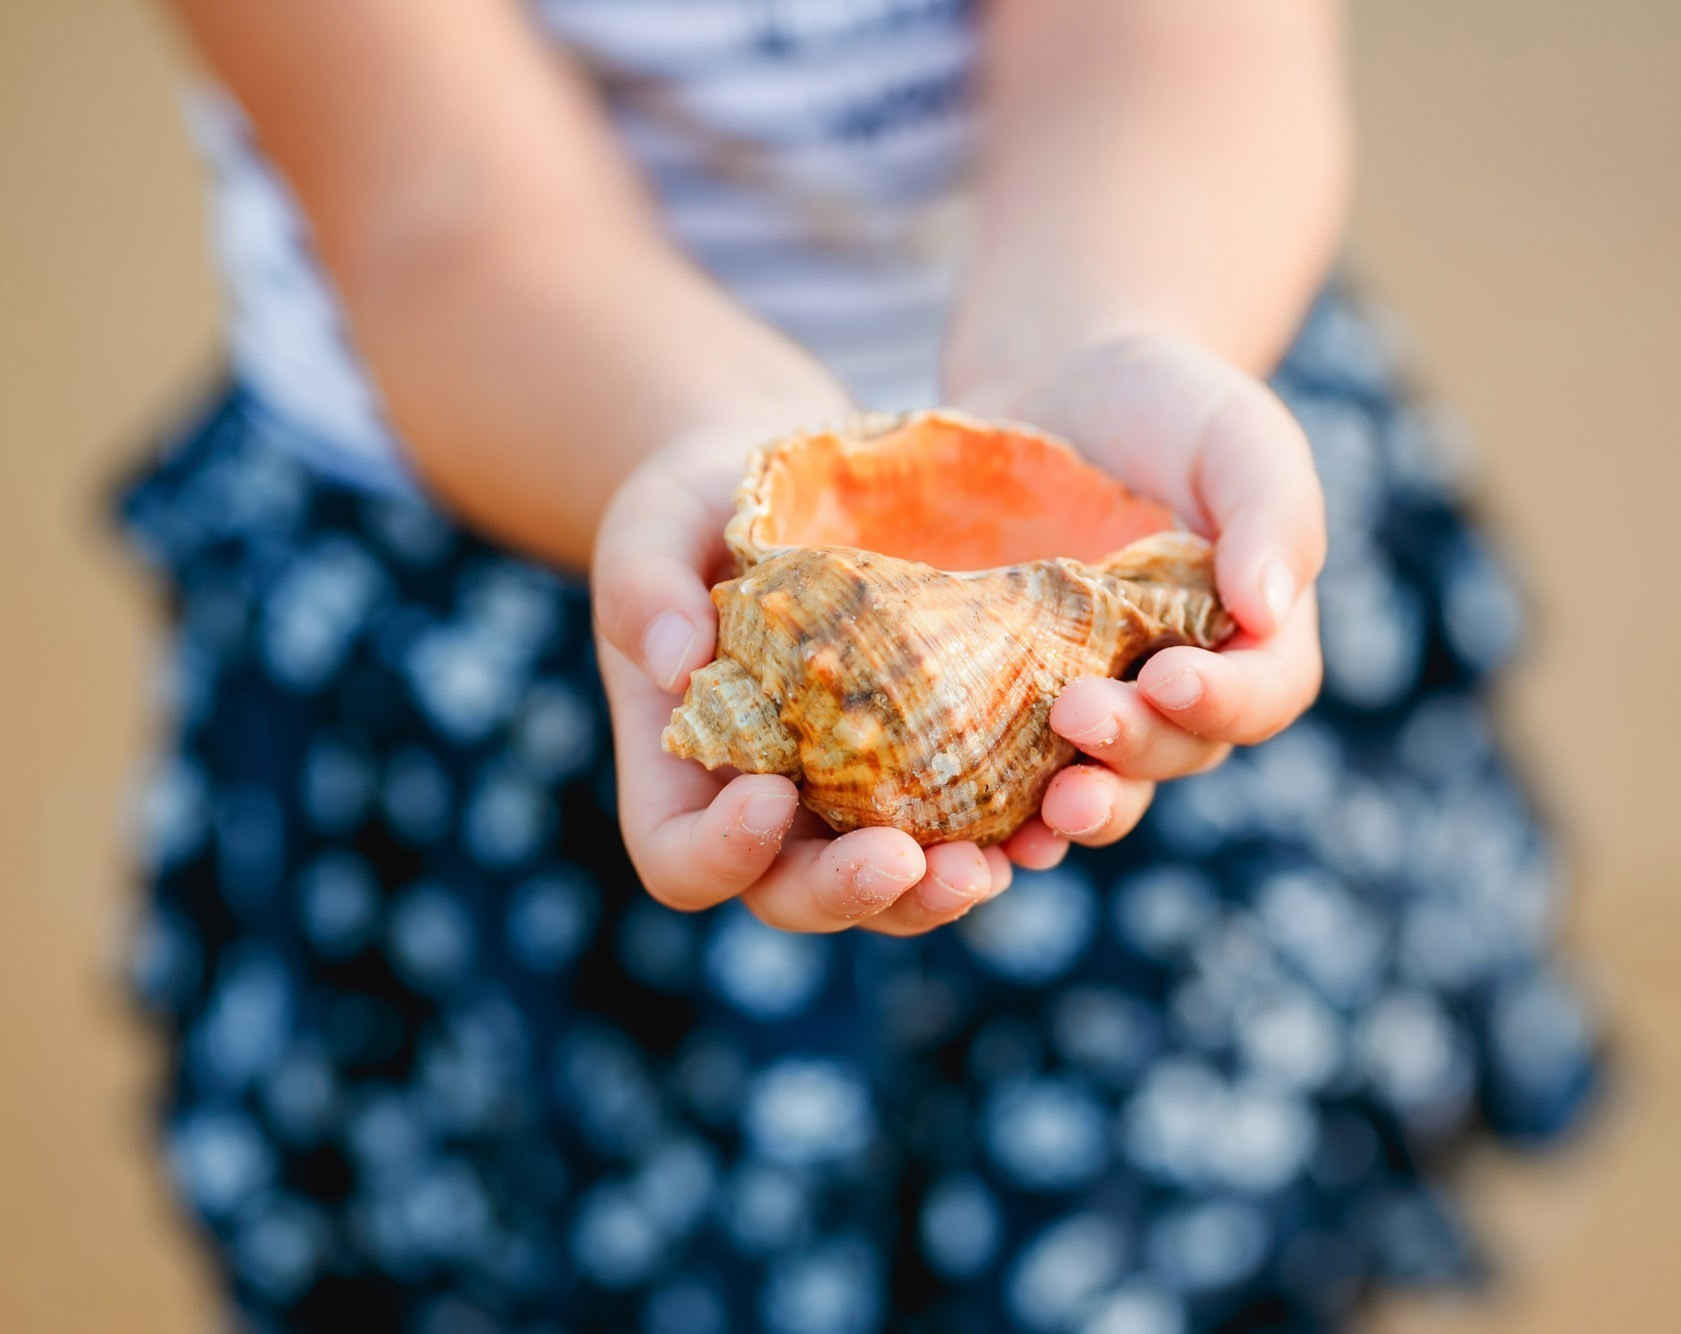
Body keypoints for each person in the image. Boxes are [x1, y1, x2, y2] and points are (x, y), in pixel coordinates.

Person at [120, 1, 1597, 1329]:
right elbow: (443, 211)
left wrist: (1107, 337)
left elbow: (1183, 44)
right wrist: (725, 468)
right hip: (527, 533)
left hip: (1147, 381)